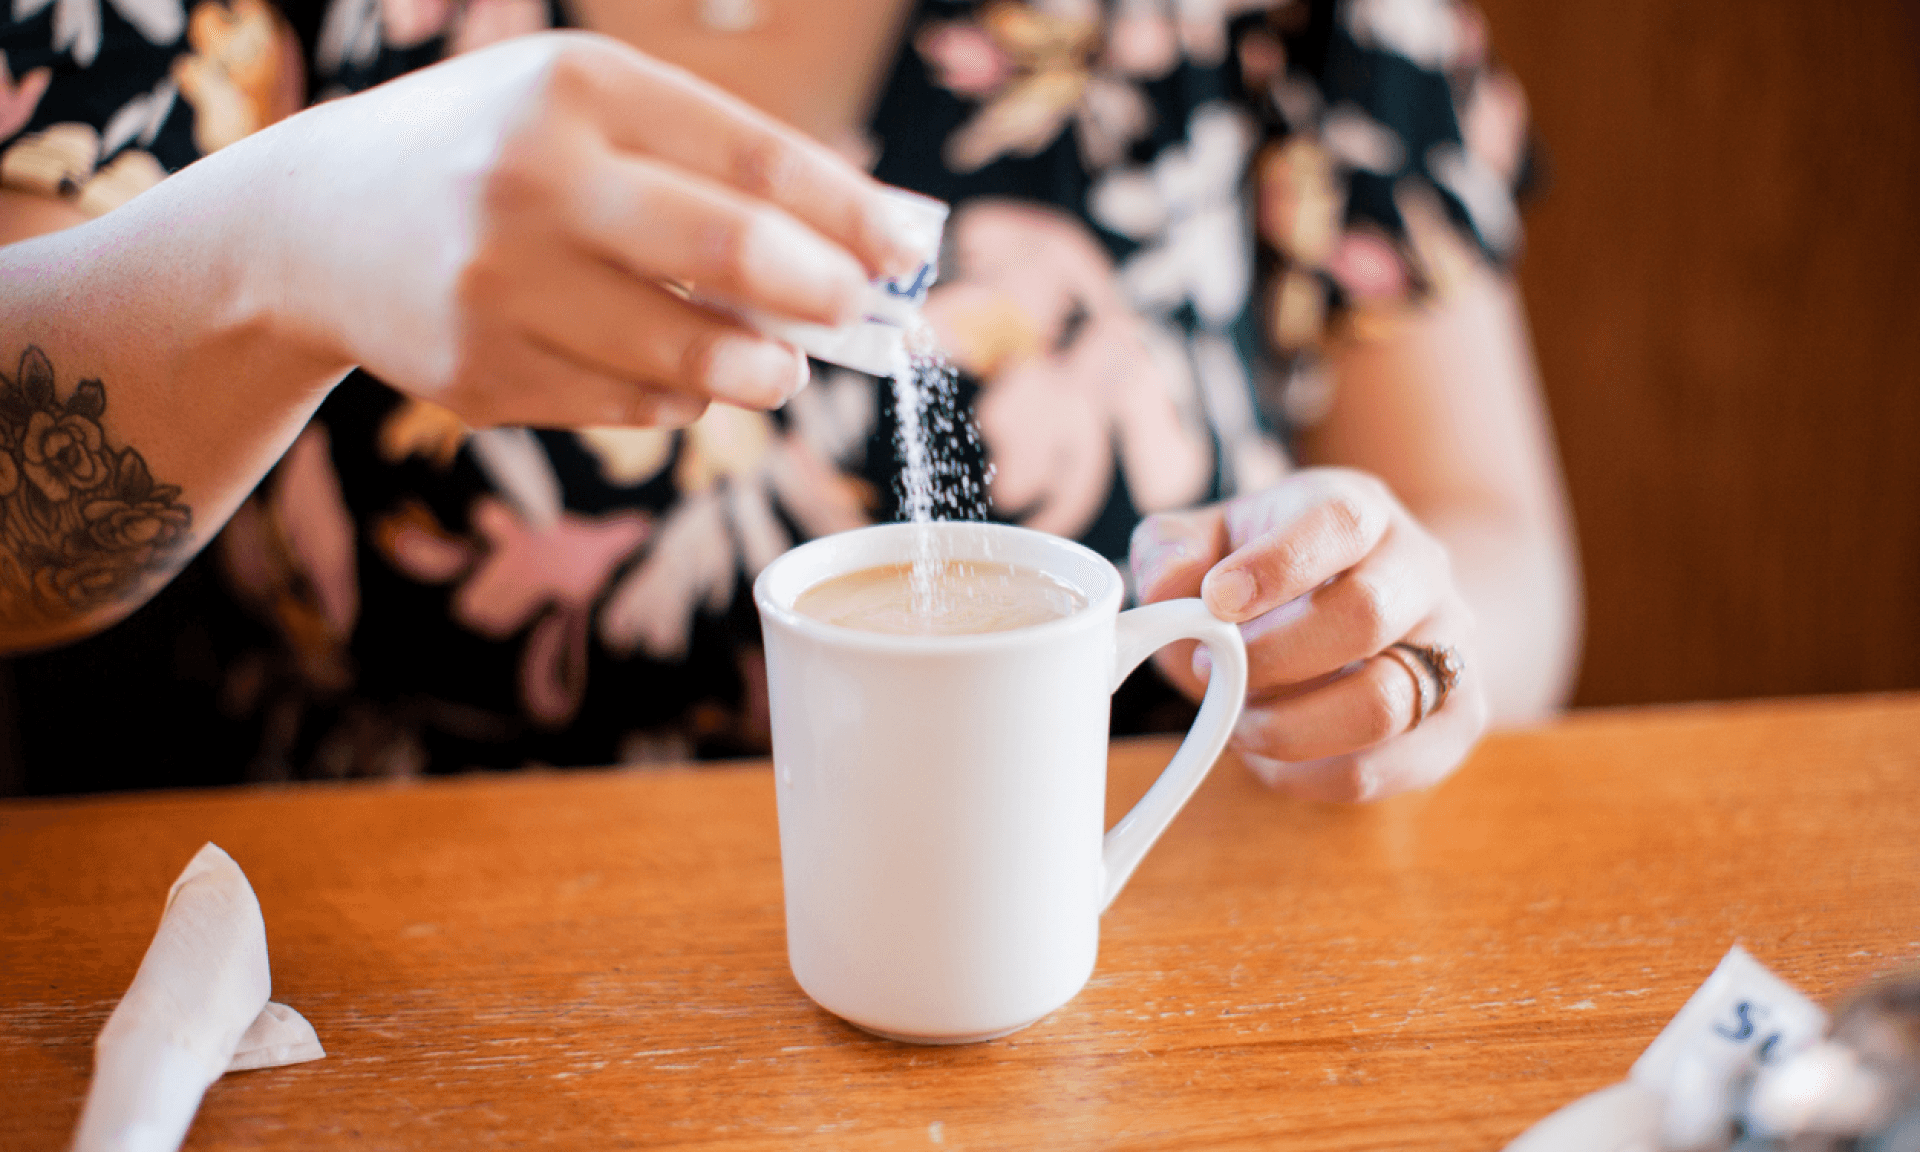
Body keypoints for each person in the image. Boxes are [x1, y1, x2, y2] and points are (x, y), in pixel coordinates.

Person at [0, 0, 1579, 802]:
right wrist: (285, 243)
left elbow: (1497, 537)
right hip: (375, 1002)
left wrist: (1383, 641)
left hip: (1129, 1002)